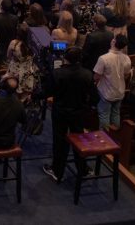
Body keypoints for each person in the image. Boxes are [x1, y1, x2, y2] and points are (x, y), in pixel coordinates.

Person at [42, 46, 97, 183]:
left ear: (65, 58)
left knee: (59, 141)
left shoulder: (57, 73)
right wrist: (87, 107)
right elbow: (95, 97)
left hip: (60, 112)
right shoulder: (87, 74)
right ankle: (82, 169)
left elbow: (47, 92)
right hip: (78, 112)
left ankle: (57, 170)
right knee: (79, 139)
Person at [94, 34, 132, 129]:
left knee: (104, 115)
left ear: (114, 42)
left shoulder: (104, 58)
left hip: (106, 92)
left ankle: (104, 140)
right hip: (119, 91)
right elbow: (127, 75)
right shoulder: (127, 58)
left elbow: (96, 76)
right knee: (116, 114)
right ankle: (115, 137)